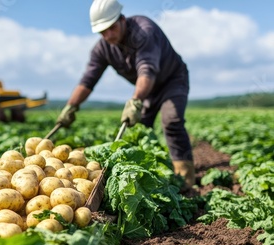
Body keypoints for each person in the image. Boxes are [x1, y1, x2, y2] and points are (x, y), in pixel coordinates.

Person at [56, 0, 195, 188]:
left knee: (171, 121)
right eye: (102, 32)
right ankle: (146, 177)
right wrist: (71, 106)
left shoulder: (144, 31)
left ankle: (186, 176)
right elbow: (87, 82)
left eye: (111, 28)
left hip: (172, 80)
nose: (108, 35)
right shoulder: (102, 48)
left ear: (122, 19)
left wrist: (135, 101)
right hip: (147, 88)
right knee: (139, 129)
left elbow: (147, 70)